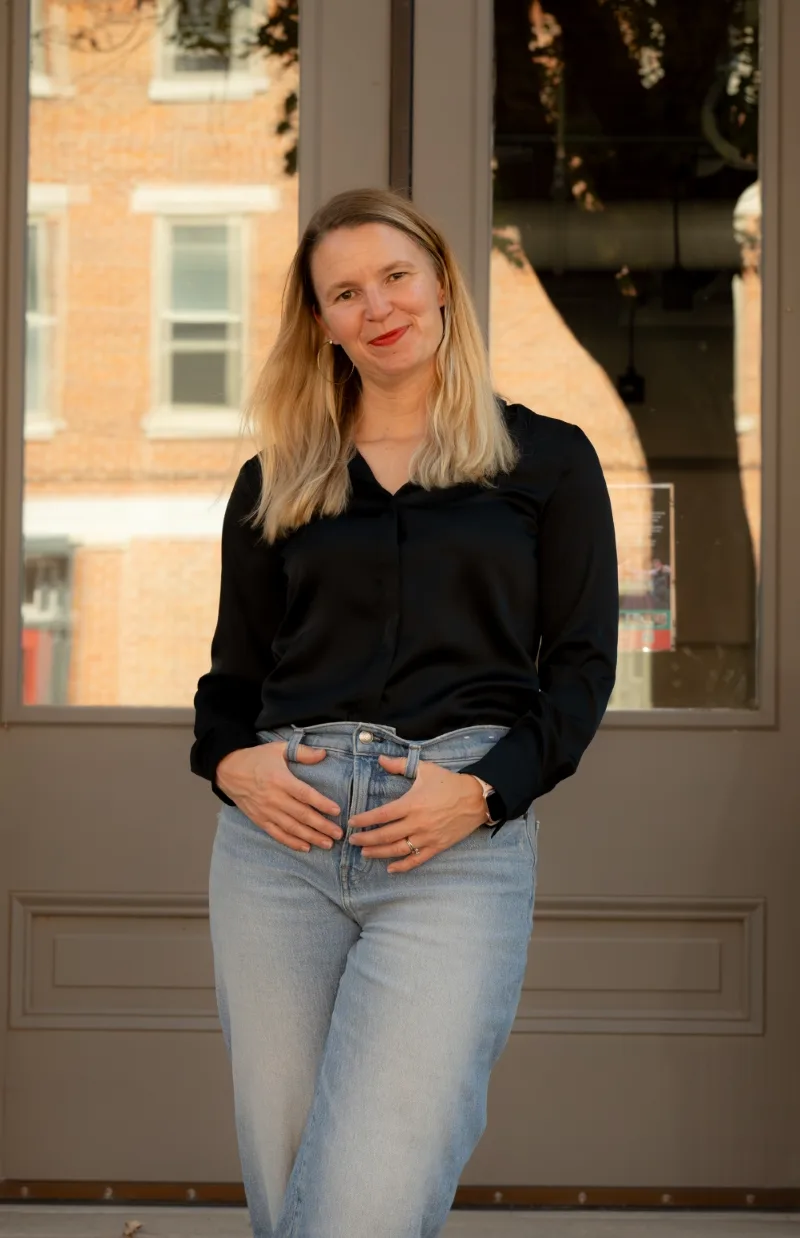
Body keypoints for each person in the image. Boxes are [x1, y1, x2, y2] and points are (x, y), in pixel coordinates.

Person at [190, 187, 618, 1238]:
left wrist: (479, 794)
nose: (376, 305)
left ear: (438, 282)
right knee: (287, 1173)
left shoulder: (545, 460)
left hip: (448, 836)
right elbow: (232, 678)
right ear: (321, 321)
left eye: (393, 275)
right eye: (344, 291)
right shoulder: (277, 478)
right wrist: (225, 762)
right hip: (275, 840)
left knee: (363, 1194)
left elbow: (577, 669)